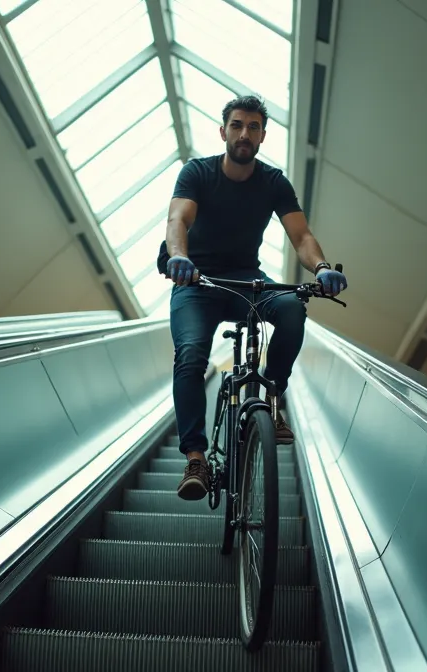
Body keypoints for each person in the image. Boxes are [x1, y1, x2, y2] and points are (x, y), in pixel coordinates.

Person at [157, 95, 348, 502]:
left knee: (293, 308)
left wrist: (322, 268)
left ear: (263, 135)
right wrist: (179, 259)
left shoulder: (273, 182)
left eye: (254, 127)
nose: (245, 133)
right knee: (191, 354)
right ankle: (196, 458)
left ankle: (273, 399)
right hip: (197, 282)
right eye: (238, 125)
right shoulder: (198, 173)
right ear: (223, 131)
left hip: (247, 281)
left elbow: (301, 236)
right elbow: (178, 219)